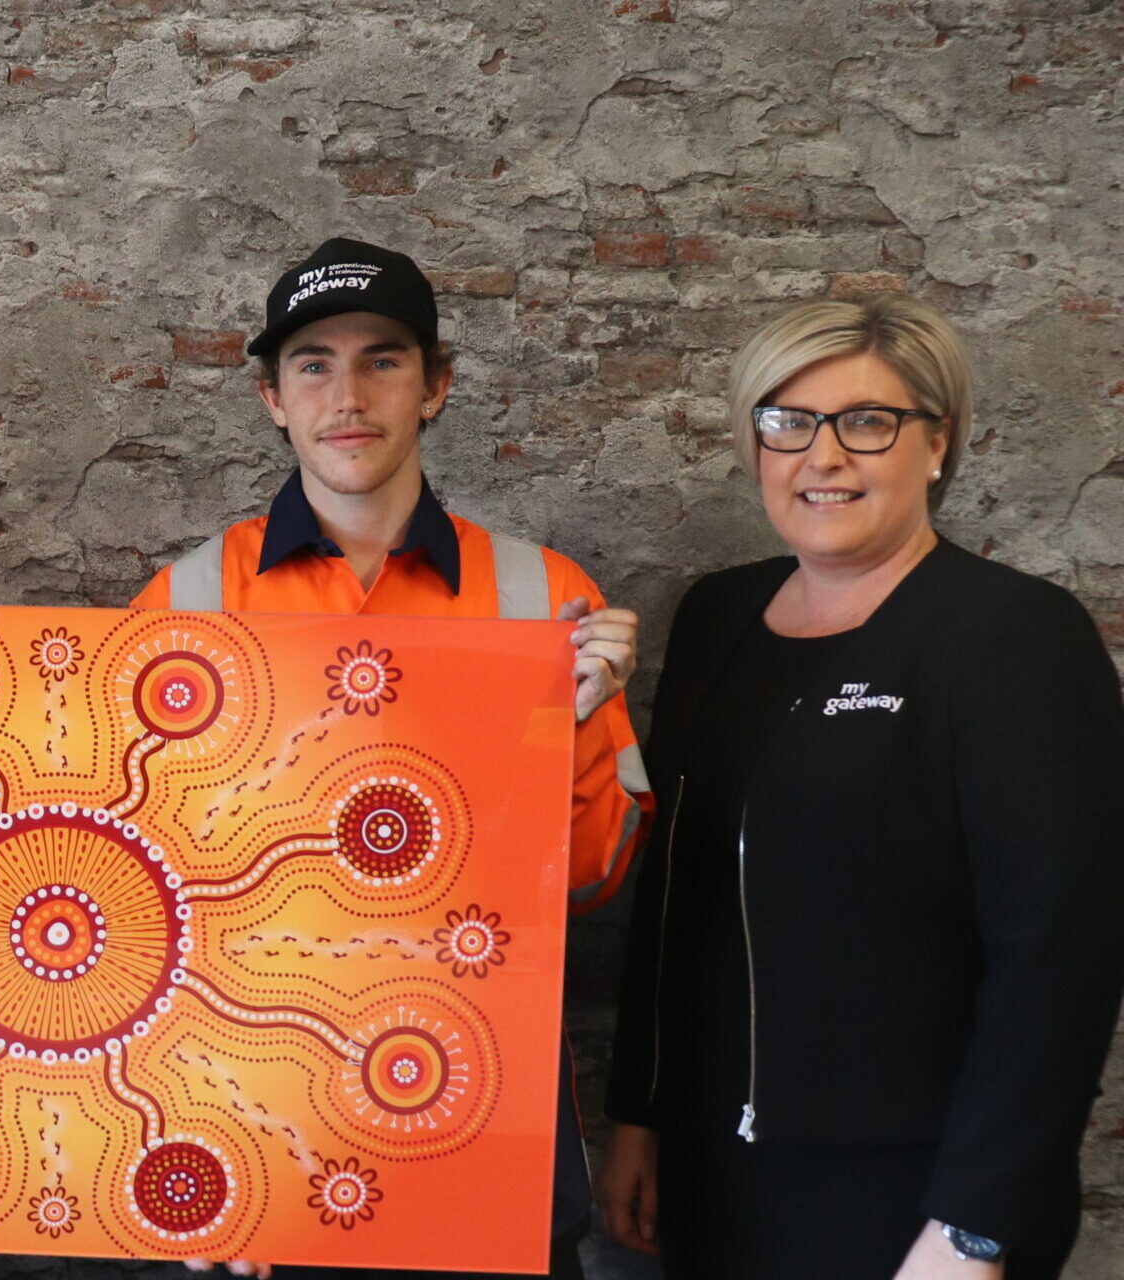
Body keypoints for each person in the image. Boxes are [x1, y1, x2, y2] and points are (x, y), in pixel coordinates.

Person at [135, 237, 651, 1280]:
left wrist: (582, 721)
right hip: (264, 1122)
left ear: (436, 384)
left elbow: (594, 880)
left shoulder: (540, 592)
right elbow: (141, 909)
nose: (348, 393)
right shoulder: (186, 601)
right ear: (272, 397)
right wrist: (191, 1149)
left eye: (382, 358)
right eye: (313, 363)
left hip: (485, 1116)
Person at [598, 296, 1124, 1280]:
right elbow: (677, 902)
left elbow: (1060, 958)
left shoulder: (1013, 637)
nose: (822, 455)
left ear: (937, 443)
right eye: (786, 420)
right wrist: (641, 1107)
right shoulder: (719, 617)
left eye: (866, 421)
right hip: (717, 1168)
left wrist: (974, 1224)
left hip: (913, 1192)